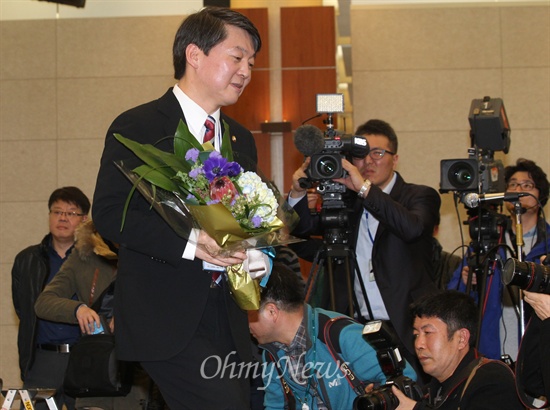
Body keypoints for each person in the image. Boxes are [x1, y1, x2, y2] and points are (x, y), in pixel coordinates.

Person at [92, 7, 261, 409]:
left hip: (230, 312)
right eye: (237, 58)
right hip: (166, 314)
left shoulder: (240, 138)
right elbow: (111, 213)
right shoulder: (139, 127)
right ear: (194, 54)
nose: (246, 71)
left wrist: (257, 253)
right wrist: (191, 242)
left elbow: (249, 214)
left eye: (252, 63)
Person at [288, 119, 441, 381]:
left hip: (407, 328)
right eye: (361, 155)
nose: (369, 161)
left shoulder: (419, 196)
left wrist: (363, 189)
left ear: (395, 158)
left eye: (378, 153)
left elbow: (412, 228)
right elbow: (300, 234)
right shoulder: (348, 201)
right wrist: (296, 192)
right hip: (356, 328)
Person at [248, 263, 417, 410]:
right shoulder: (271, 353)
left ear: (272, 312)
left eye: (247, 315)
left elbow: (405, 380)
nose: (245, 325)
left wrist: (378, 394)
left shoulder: (339, 334)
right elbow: (275, 406)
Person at [34, 220, 158, 410]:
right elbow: (44, 302)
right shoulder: (84, 255)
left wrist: (130, 315)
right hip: (96, 373)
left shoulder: (150, 251)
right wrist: (78, 309)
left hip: (140, 374)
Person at [448, 158, 550, 360]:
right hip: (492, 344)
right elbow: (456, 296)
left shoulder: (547, 242)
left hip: (538, 344)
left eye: (527, 185)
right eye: (512, 184)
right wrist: (468, 281)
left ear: (541, 194)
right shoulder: (489, 239)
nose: (518, 189)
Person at [11, 186, 90, 410]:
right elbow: (22, 308)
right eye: (57, 212)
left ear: (84, 219)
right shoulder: (27, 260)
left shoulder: (95, 259)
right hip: (43, 359)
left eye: (71, 213)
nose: (62, 218)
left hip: (84, 358)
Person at [391, 290, 523, 409]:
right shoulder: (430, 392)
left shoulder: (492, 379)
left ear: (461, 338)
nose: (419, 344)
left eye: (428, 332)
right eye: (416, 335)